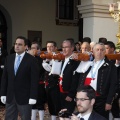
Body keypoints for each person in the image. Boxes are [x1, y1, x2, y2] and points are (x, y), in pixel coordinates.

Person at [73, 43, 117, 119]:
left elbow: (113, 85)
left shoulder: (110, 66)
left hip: (101, 100)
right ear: (93, 51)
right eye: (97, 50)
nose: (99, 52)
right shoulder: (87, 64)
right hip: (86, 98)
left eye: (102, 50)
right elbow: (78, 79)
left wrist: (109, 102)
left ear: (104, 52)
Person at [0, 36, 39, 120]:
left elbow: (34, 80)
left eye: (20, 44)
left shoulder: (32, 60)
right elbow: (4, 78)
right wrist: (3, 93)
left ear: (26, 47)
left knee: (25, 118)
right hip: (10, 96)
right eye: (16, 44)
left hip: (25, 97)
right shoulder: (9, 58)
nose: (17, 46)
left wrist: (33, 96)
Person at [59, 38, 79, 116]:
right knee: (62, 114)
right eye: (63, 47)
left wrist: (71, 94)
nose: (64, 49)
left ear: (72, 48)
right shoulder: (63, 59)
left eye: (66, 47)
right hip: (61, 92)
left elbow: (75, 79)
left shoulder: (75, 61)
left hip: (68, 93)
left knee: (68, 114)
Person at [42, 41, 61, 120]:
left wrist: (47, 63)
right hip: (47, 84)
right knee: (49, 104)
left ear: (55, 48)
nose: (49, 48)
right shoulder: (45, 57)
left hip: (55, 85)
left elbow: (55, 72)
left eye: (51, 46)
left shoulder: (58, 57)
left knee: (56, 104)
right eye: (47, 46)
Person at [28, 41, 47, 120]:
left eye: (33, 48)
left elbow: (38, 70)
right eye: (31, 48)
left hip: (40, 84)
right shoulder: (29, 58)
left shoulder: (42, 58)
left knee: (40, 103)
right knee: (32, 103)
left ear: (38, 49)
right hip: (31, 84)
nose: (31, 50)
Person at [105, 41, 120, 120]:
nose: (105, 50)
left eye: (106, 48)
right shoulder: (105, 59)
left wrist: (117, 65)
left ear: (112, 49)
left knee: (114, 106)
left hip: (116, 86)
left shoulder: (117, 58)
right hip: (107, 86)